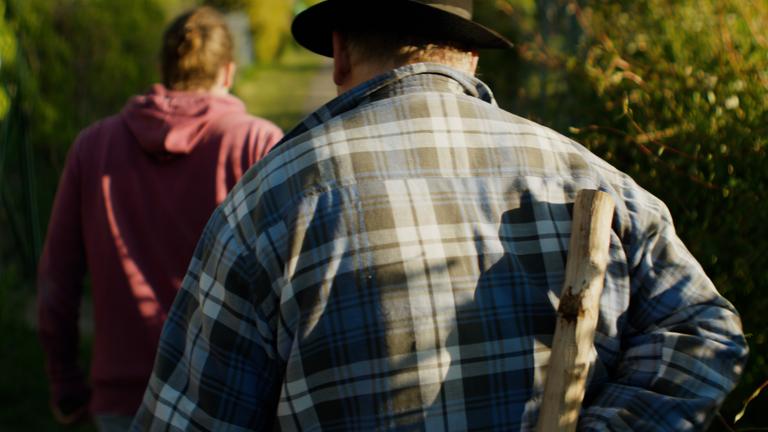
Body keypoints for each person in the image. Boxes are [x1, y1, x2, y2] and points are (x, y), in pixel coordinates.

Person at [132, 1, 748, 430]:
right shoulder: (588, 177)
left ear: (339, 55)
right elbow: (708, 332)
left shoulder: (269, 202)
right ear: (469, 57)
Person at [36, 6, 283, 431]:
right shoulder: (257, 143)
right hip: (227, 394)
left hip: (121, 398)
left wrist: (65, 383)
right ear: (228, 71)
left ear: (161, 68)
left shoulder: (93, 146)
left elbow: (57, 282)